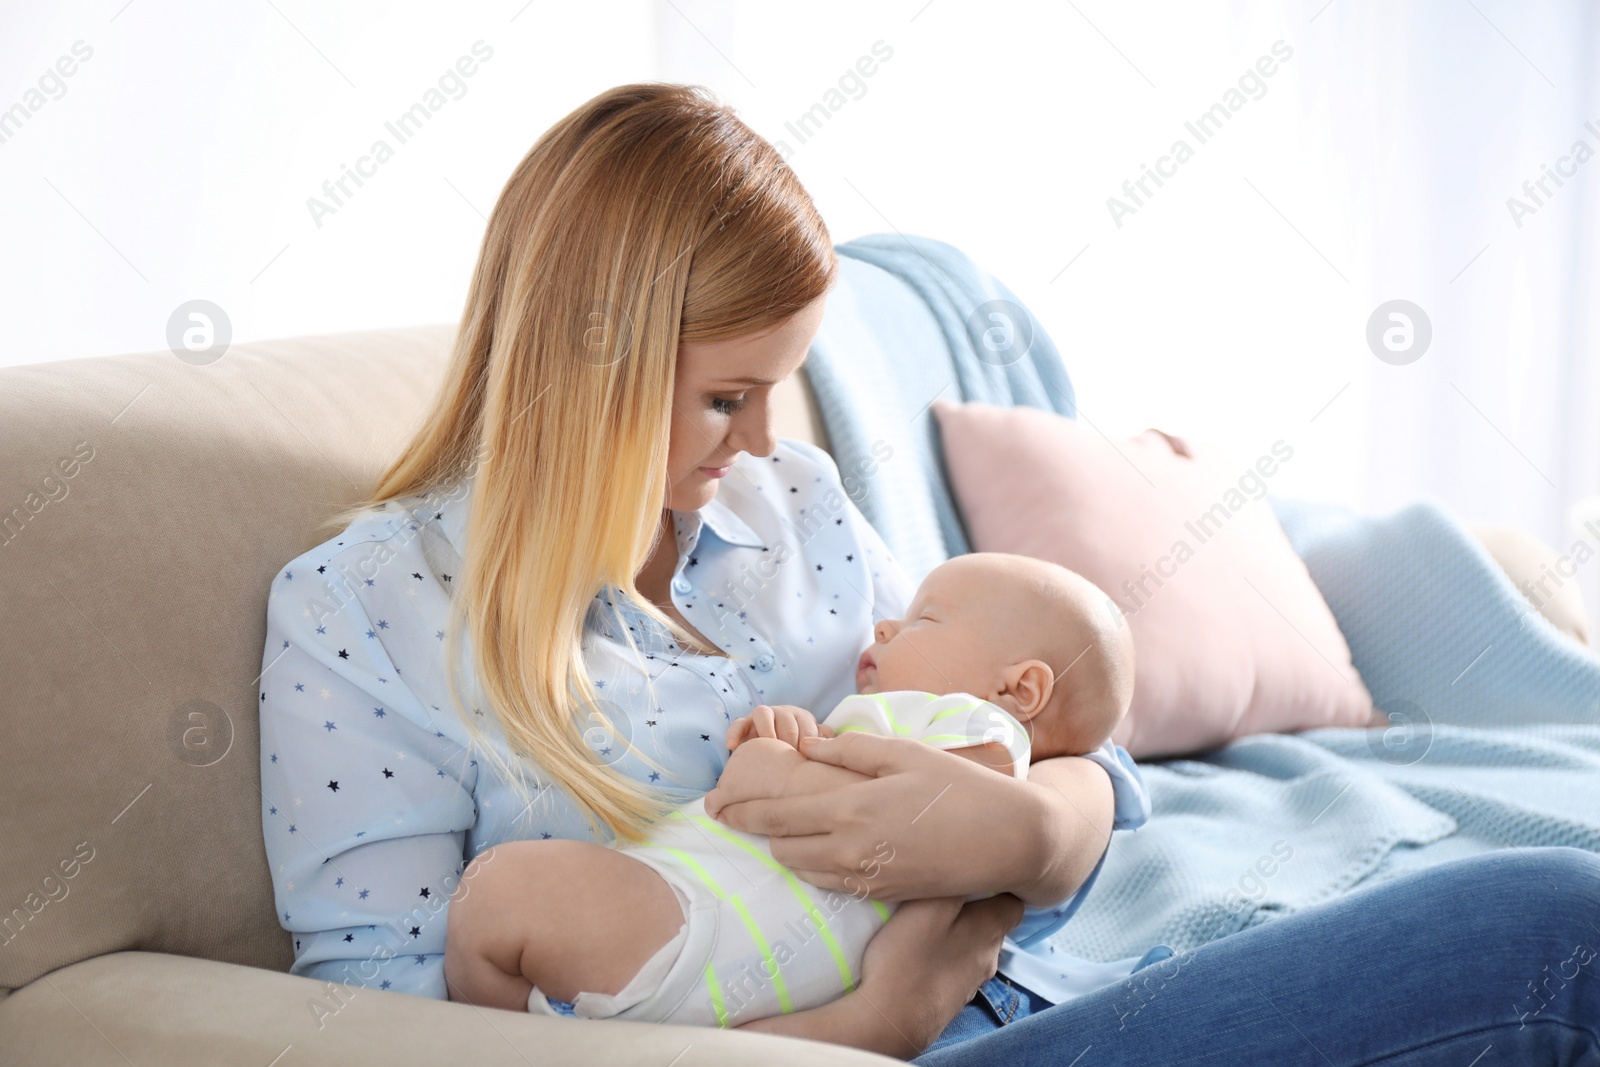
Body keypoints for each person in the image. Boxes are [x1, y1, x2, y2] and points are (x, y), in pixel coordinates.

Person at [258, 81, 1600, 1063]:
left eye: (779, 390)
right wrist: (868, 1022)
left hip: (1044, 986)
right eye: (730, 396)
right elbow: (382, 1022)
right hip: (875, 1043)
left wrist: (1034, 828)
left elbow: (1063, 732)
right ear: (591, 366)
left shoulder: (796, 509)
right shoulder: (363, 613)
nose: (771, 445)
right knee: (1547, 931)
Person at [444, 553, 1141, 1026]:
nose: (885, 625)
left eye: (924, 619)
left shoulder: (972, 726)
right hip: (762, 963)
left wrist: (772, 752)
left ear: (1019, 687)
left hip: (719, 926)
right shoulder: (921, 726)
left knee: (498, 896)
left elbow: (760, 797)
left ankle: (546, 1030)